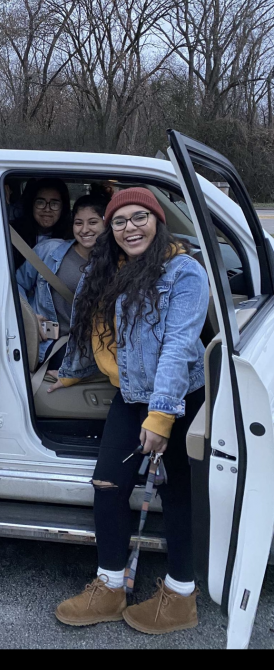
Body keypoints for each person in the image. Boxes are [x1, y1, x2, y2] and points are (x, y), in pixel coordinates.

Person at [46, 187, 209, 636]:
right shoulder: (107, 268)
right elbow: (91, 329)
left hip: (177, 398)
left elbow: (178, 347)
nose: (129, 228)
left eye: (140, 217)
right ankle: (110, 586)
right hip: (131, 393)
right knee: (108, 485)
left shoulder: (184, 272)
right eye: (119, 221)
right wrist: (71, 373)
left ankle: (180, 597)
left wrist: (161, 417)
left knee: (177, 494)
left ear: (158, 221)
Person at [16, 191, 106, 369]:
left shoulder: (114, 264)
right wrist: (28, 317)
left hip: (88, 351)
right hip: (45, 345)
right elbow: (16, 283)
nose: (84, 229)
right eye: (78, 223)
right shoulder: (49, 250)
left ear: (106, 224)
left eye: (93, 222)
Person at [11, 177, 72, 270]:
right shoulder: (12, 234)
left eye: (54, 204)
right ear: (32, 205)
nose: (47, 209)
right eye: (40, 202)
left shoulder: (72, 238)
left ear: (63, 208)